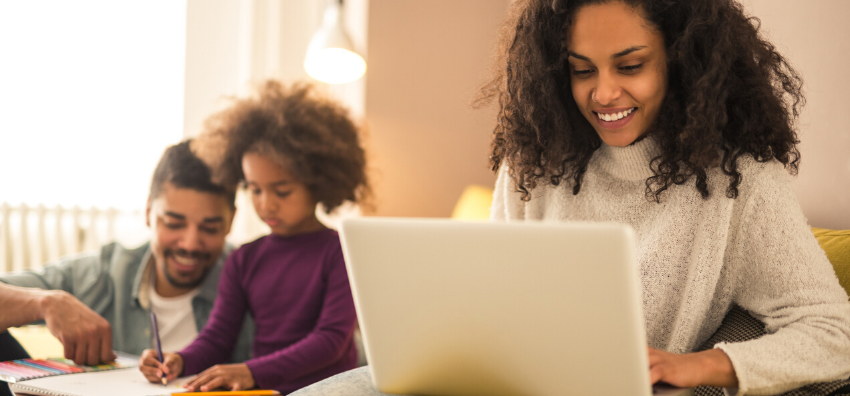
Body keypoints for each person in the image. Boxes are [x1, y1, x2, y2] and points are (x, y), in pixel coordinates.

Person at [289, 0, 850, 395]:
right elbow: (490, 295)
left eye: (630, 66)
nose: (603, 93)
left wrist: (705, 365)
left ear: (683, 59)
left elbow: (834, 333)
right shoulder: (535, 161)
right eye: (582, 71)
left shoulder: (740, 180)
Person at [139, 81, 370, 394]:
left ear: (318, 182)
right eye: (254, 189)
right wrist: (180, 359)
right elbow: (218, 337)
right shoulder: (243, 259)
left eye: (281, 190)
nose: (265, 204)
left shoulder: (340, 252)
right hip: (266, 390)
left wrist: (250, 371)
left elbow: (330, 340)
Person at [0, 141, 253, 366]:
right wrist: (45, 302)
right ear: (148, 211)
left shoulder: (255, 279)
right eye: (174, 223)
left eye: (209, 228)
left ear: (231, 221)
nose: (189, 243)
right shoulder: (103, 275)